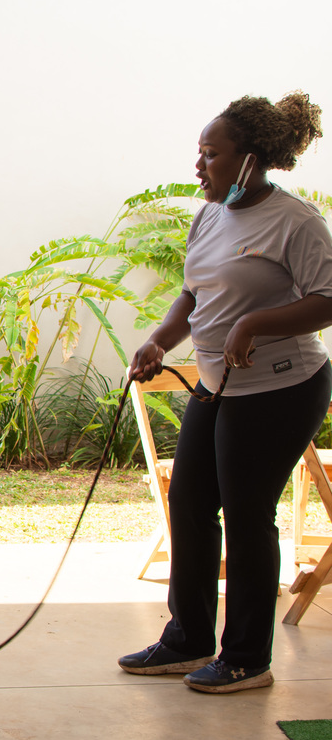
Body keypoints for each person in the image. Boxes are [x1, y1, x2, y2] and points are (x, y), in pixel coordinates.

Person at [119, 91, 332, 693]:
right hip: (217, 385)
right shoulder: (209, 216)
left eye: (211, 154)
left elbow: (328, 298)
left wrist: (255, 323)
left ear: (250, 160)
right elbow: (194, 294)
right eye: (199, 152)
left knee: (246, 514)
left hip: (281, 387)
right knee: (189, 505)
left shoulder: (296, 221)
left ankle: (245, 659)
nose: (199, 166)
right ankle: (185, 640)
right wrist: (159, 340)